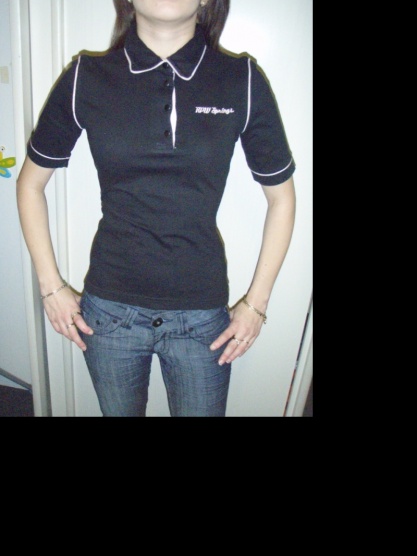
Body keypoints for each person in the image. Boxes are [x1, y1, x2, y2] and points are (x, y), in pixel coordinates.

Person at [16, 0, 296, 417]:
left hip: (201, 315)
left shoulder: (241, 79)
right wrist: (51, 287)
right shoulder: (86, 77)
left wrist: (256, 304)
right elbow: (30, 184)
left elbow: (281, 198)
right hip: (109, 313)